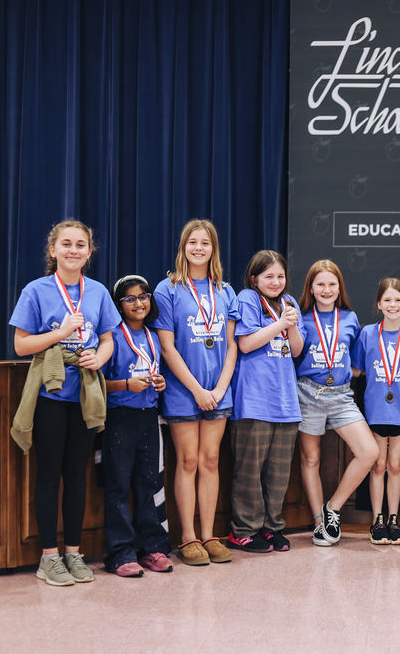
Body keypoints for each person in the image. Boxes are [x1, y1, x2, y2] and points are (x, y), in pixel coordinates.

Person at [9, 219, 119, 586]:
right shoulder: (37, 290)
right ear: (53, 250)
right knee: (49, 476)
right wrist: (59, 333)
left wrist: (101, 358)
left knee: (77, 476)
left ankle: (73, 552)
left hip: (85, 393)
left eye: (81, 244)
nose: (74, 250)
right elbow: (21, 345)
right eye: (66, 244)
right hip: (50, 394)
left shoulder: (99, 292)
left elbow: (108, 339)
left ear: (90, 252)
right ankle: (48, 557)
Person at [153, 219, 239, 566]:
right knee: (187, 462)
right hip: (183, 392)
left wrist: (218, 388)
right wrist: (197, 390)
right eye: (192, 242)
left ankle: (209, 534)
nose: (199, 248)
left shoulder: (225, 290)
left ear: (213, 248)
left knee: (211, 461)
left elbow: (232, 345)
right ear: (183, 247)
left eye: (205, 242)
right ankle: (187, 536)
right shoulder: (168, 289)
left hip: (218, 393)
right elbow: (167, 348)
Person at [295, 260, 379, 546]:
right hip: (308, 392)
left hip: (341, 395)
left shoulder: (350, 318)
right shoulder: (301, 318)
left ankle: (332, 509)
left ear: (339, 287)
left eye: (332, 284)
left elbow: (356, 362)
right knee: (311, 459)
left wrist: (344, 370)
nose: (326, 289)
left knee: (368, 452)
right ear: (311, 288)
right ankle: (320, 523)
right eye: (320, 284)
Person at [227, 250, 305, 554]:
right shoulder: (247, 299)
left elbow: (296, 350)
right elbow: (245, 344)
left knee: (278, 472)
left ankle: (273, 528)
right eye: (269, 276)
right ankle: (244, 530)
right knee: (249, 470)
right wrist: (280, 324)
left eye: (280, 276)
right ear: (254, 278)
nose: (275, 282)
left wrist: (292, 324)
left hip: (285, 401)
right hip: (254, 399)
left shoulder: (290, 303)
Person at [101, 275, 173, 577]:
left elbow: (156, 372)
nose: (139, 302)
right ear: (118, 305)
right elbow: (97, 385)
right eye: (130, 298)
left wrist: (160, 382)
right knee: (117, 486)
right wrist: (125, 385)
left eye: (143, 296)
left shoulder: (153, 337)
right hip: (119, 419)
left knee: (149, 484)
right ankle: (120, 552)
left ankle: (152, 547)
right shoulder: (112, 337)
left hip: (148, 416)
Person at [351, 278, 400, 545]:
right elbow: (356, 371)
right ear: (378, 304)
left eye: (398, 300)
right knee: (378, 465)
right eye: (387, 300)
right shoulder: (367, 334)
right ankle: (378, 520)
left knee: (395, 465)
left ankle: (394, 520)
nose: (393, 305)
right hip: (374, 411)